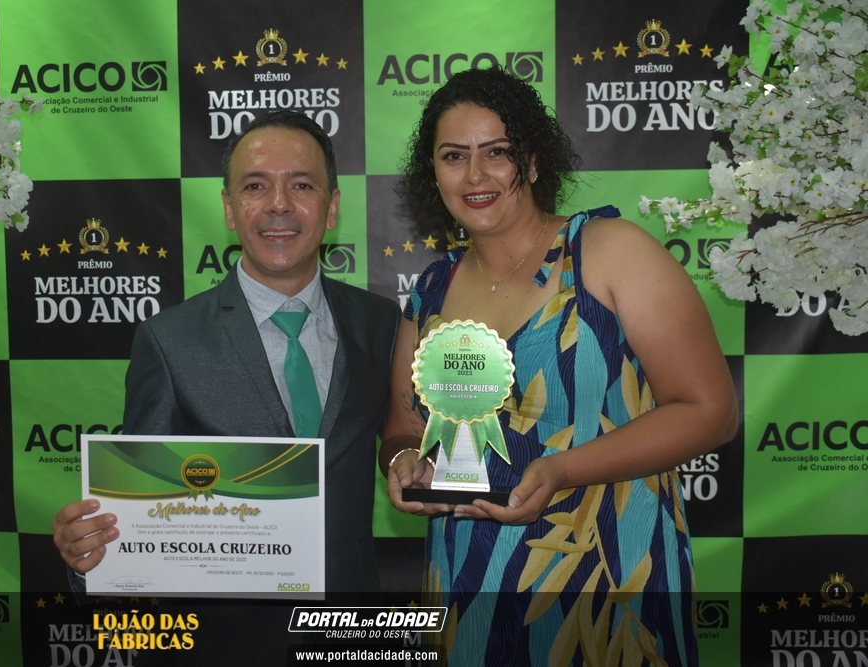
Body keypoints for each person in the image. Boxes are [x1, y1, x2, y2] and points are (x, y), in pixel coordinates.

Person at [379, 67, 738, 666]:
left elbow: (711, 411)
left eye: (497, 153)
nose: (475, 175)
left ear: (533, 161)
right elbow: (403, 427)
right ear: (432, 172)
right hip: (470, 584)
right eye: (454, 156)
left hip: (609, 577)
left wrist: (561, 469)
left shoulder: (608, 250)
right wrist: (402, 462)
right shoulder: (432, 290)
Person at [51, 110, 400, 661]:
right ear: (230, 209)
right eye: (255, 186)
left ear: (332, 207)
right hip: (223, 645)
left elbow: (404, 436)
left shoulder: (382, 324)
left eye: (302, 185)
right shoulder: (169, 341)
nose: (279, 204)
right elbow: (137, 513)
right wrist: (89, 554)